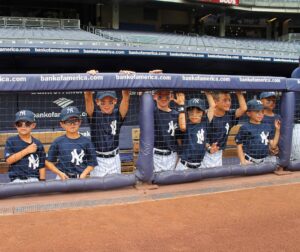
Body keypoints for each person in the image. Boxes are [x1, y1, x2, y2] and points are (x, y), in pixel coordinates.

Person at [84, 70, 133, 177]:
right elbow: (88, 97)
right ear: (97, 102)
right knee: (97, 190)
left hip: (114, 158)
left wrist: (126, 77)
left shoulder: (118, 114)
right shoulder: (94, 115)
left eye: (110, 102)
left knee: (116, 190)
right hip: (97, 159)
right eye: (103, 102)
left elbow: (126, 96)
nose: (107, 105)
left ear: (115, 101)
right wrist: (89, 76)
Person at [45, 106, 97, 180]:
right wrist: (59, 173)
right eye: (68, 121)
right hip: (62, 178)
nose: (72, 124)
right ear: (62, 124)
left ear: (80, 122)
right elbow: (49, 162)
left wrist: (84, 174)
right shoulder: (58, 142)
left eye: (75, 120)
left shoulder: (87, 142)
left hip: (81, 177)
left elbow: (92, 163)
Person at [202, 91, 247, 167]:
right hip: (204, 151)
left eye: (229, 100)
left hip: (218, 152)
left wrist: (239, 93)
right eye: (225, 100)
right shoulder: (209, 114)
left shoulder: (229, 114)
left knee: (217, 176)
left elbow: (243, 108)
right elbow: (212, 106)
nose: (228, 103)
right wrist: (208, 93)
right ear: (216, 102)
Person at [175, 92, 218, 170]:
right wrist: (181, 104)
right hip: (184, 166)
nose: (194, 115)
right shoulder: (185, 125)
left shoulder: (204, 123)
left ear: (203, 113)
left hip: (199, 166)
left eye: (198, 112)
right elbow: (182, 129)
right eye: (191, 112)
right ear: (187, 112)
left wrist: (209, 148)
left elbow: (213, 106)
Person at [5, 110, 46, 183]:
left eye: (27, 124)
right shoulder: (11, 141)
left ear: (33, 125)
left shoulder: (37, 143)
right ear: (15, 125)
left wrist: (42, 181)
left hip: (34, 179)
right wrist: (27, 150)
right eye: (19, 124)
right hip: (17, 180)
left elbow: (42, 165)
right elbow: (9, 161)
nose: (23, 127)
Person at [235, 99, 280, 165]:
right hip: (249, 160)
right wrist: (242, 161)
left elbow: (273, 145)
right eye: (257, 111)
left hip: (265, 160)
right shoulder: (245, 127)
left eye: (262, 111)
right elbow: (239, 145)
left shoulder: (267, 126)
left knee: (278, 163)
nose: (260, 114)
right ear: (248, 113)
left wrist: (277, 130)